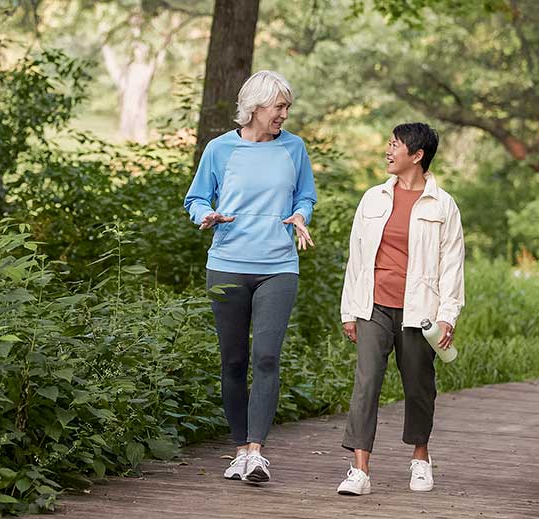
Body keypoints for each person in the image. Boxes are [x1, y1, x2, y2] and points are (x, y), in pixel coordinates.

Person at [183, 70, 317, 484]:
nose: (285, 115)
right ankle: (239, 449)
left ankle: (257, 452)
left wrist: (301, 215)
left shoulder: (294, 149)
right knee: (234, 360)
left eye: (286, 107)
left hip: (278, 266)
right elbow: (197, 196)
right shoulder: (220, 149)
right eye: (280, 107)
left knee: (267, 357)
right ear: (256, 107)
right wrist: (204, 214)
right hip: (227, 263)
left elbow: (306, 195)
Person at [336, 122, 465, 496]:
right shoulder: (373, 198)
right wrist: (349, 310)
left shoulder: (443, 205)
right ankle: (359, 468)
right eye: (389, 143)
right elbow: (356, 257)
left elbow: (452, 264)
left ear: (417, 155)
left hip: (420, 311)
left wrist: (448, 315)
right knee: (366, 382)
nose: (388, 150)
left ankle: (420, 458)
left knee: (419, 385)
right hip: (372, 303)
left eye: (396, 145)